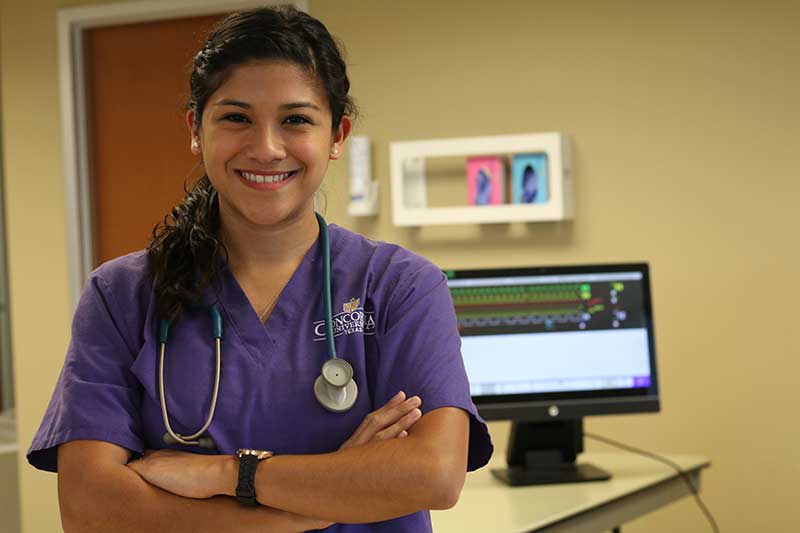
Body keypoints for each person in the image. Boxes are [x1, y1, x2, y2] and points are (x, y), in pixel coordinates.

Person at [28, 6, 492, 532]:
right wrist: (327, 494)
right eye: (236, 117)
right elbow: (91, 510)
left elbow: (433, 475)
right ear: (196, 129)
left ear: (337, 135)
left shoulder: (399, 287)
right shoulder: (122, 296)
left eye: (296, 120)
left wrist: (231, 474)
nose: (266, 148)